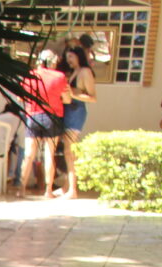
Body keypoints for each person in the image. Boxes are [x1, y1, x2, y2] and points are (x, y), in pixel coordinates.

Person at [21, 50, 71, 199]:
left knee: (29, 154)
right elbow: (67, 100)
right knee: (49, 154)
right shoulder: (59, 77)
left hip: (33, 116)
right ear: (52, 62)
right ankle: (48, 191)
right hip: (52, 117)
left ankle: (21, 189)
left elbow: (20, 98)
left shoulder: (29, 75)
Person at [60, 45, 97, 198]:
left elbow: (92, 97)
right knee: (68, 150)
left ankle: (72, 189)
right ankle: (67, 186)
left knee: (70, 150)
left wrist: (73, 95)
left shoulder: (85, 72)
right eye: (67, 57)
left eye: (71, 56)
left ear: (78, 56)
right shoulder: (75, 71)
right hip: (68, 110)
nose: (68, 60)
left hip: (76, 111)